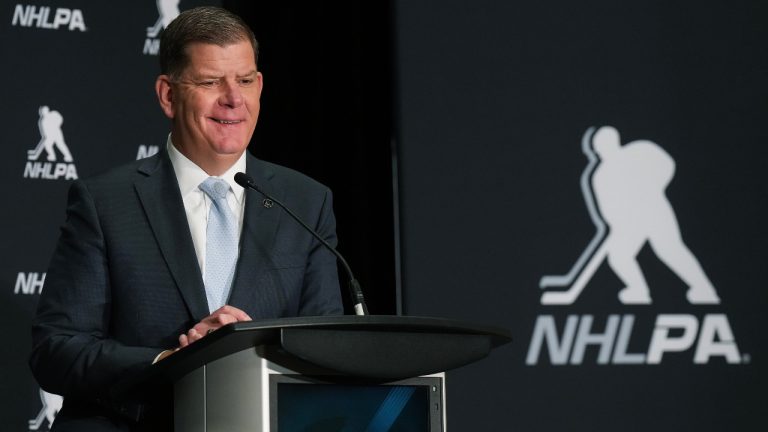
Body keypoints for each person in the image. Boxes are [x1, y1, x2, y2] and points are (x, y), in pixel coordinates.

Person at [29, 6, 343, 431]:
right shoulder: (105, 202)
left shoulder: (305, 201)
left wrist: (249, 351)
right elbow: (56, 351)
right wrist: (170, 362)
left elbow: (326, 347)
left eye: (245, 81)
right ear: (168, 95)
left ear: (260, 86)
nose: (233, 98)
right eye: (211, 82)